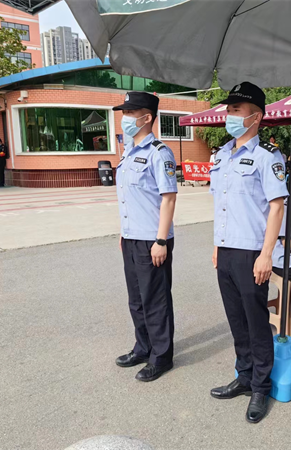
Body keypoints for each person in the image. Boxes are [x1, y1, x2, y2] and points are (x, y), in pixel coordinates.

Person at [209, 82, 288, 424]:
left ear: (256, 117)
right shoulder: (222, 155)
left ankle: (260, 386)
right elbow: (221, 206)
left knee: (256, 321)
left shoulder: (268, 157)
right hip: (226, 251)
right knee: (236, 319)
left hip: (252, 252)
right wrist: (216, 246)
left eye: (237, 110)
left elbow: (276, 207)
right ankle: (243, 375)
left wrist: (266, 254)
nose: (230, 115)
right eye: (229, 110)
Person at [113, 91, 178, 382]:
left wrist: (161, 240)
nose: (125, 118)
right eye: (124, 113)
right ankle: (143, 347)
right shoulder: (128, 152)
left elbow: (168, 198)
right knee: (136, 300)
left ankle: (161, 357)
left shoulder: (159, 153)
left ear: (146, 117)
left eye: (130, 113)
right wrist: (124, 233)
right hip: (132, 237)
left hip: (153, 239)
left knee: (156, 300)